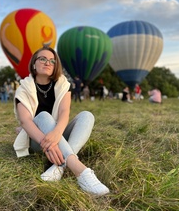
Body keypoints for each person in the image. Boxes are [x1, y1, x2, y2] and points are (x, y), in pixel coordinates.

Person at [13, 46, 110, 196]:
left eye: (52, 61)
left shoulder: (63, 85)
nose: (48, 62)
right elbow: (25, 121)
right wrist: (48, 144)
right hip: (36, 139)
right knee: (44, 115)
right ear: (34, 64)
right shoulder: (23, 88)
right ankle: (81, 172)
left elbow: (65, 112)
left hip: (58, 135)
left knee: (87, 115)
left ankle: (59, 167)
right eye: (43, 59)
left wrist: (57, 133)